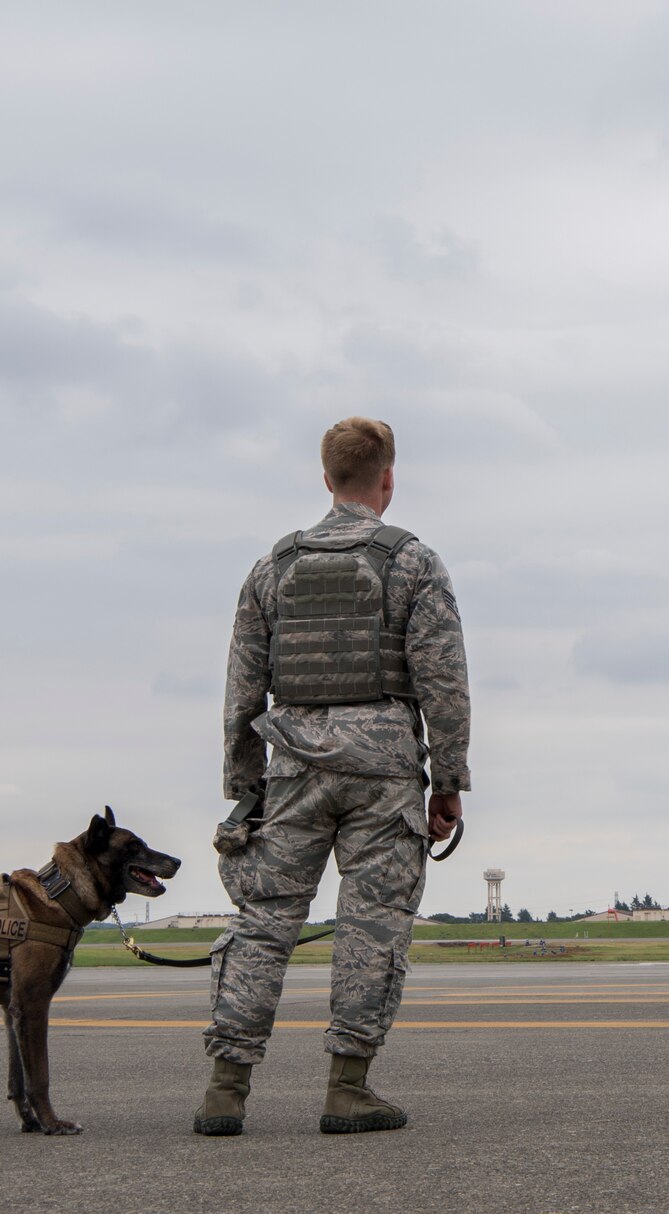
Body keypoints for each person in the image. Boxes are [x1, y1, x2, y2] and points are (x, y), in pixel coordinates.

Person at [195, 417, 470, 1136]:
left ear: (325, 479)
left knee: (262, 921)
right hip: (382, 769)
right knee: (372, 927)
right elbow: (444, 682)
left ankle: (226, 1089)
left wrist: (244, 789)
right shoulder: (413, 562)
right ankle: (347, 1088)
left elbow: (241, 690)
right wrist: (449, 781)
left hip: (294, 763)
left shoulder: (272, 568)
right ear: (388, 478)